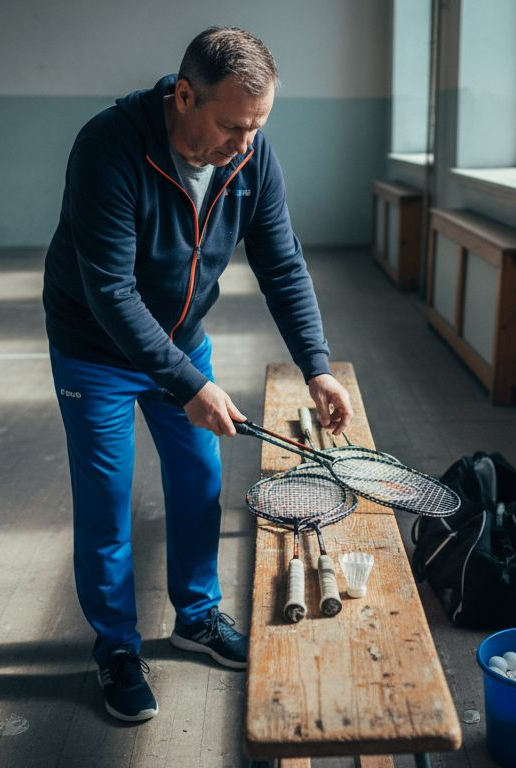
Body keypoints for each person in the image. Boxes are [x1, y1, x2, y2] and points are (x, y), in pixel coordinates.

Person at [41, 26, 353, 723]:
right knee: (107, 501)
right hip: (95, 347)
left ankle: (197, 617)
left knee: (200, 479)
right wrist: (188, 384)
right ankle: (117, 649)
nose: (244, 143)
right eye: (233, 125)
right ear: (185, 95)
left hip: (180, 341)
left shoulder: (251, 155)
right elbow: (111, 292)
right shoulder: (107, 147)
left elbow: (282, 263)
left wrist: (317, 367)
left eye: (258, 126)